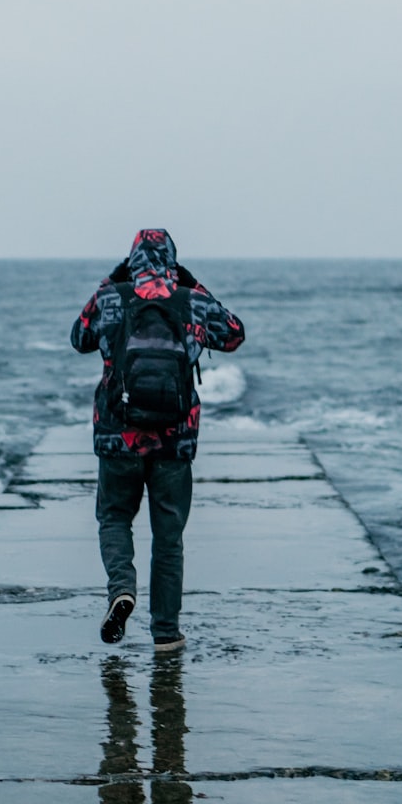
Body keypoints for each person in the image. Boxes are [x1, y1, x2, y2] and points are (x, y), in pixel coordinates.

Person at [70, 228, 245, 650]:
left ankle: (122, 591)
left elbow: (79, 338)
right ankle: (166, 633)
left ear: (131, 261)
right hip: (175, 439)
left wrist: (113, 282)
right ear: (173, 259)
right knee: (168, 537)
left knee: (114, 517)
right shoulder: (191, 300)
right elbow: (234, 334)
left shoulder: (112, 296)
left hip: (117, 434)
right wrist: (191, 283)